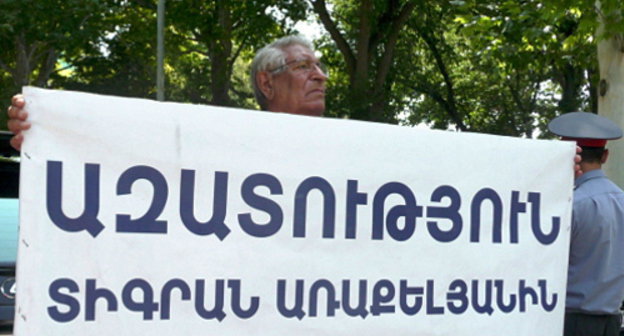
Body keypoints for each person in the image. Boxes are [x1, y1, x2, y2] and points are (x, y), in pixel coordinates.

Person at [7, 35, 328, 150]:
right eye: (303, 66)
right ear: (266, 83)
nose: (321, 77)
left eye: (319, 67)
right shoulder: (227, 145)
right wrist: (51, 138)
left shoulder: (355, 154)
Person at [548, 112, 624, 336]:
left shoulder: (569, 205)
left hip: (570, 322)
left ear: (570, 154)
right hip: (611, 322)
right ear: (605, 155)